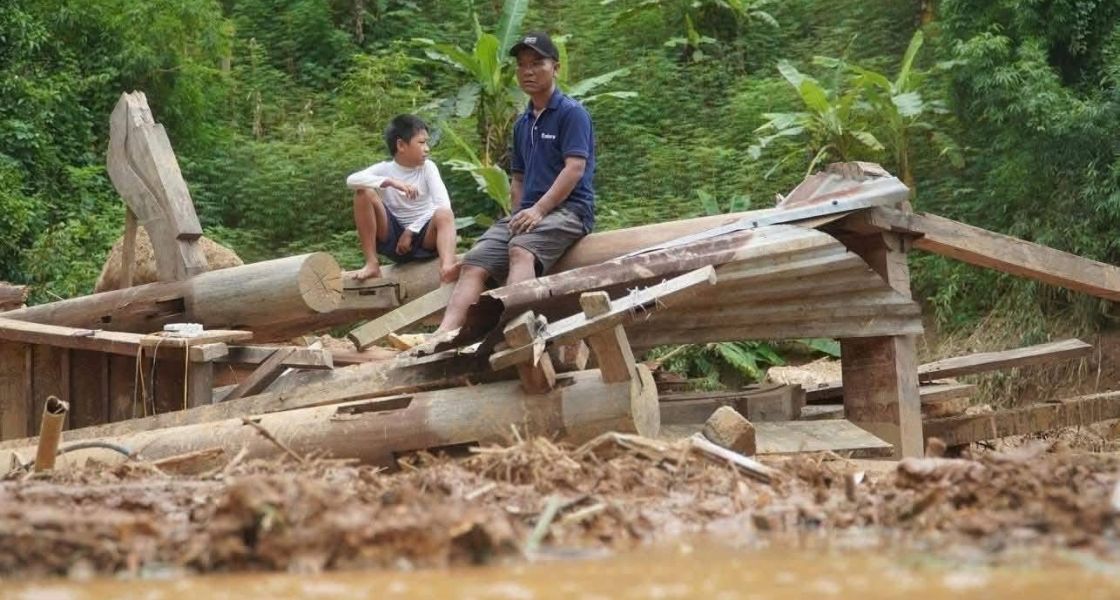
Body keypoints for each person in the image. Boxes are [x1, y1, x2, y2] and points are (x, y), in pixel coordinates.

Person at [436, 31, 597, 334]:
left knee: (521, 249)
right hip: (531, 211)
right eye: (522, 65)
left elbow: (574, 169)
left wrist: (537, 210)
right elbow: (518, 177)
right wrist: (518, 212)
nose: (528, 71)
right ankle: (442, 336)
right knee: (475, 261)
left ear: (556, 68)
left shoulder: (572, 114)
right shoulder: (523, 123)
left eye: (537, 63)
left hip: (569, 210)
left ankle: (513, 331)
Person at [345, 114, 459, 283]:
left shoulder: (428, 168)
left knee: (444, 213)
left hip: (425, 238)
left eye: (426, 143)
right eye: (421, 143)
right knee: (363, 193)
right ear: (401, 145)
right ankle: (371, 263)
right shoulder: (385, 169)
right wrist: (390, 182)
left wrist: (411, 230)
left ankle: (447, 268)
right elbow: (351, 180)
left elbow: (443, 204)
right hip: (394, 240)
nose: (427, 148)